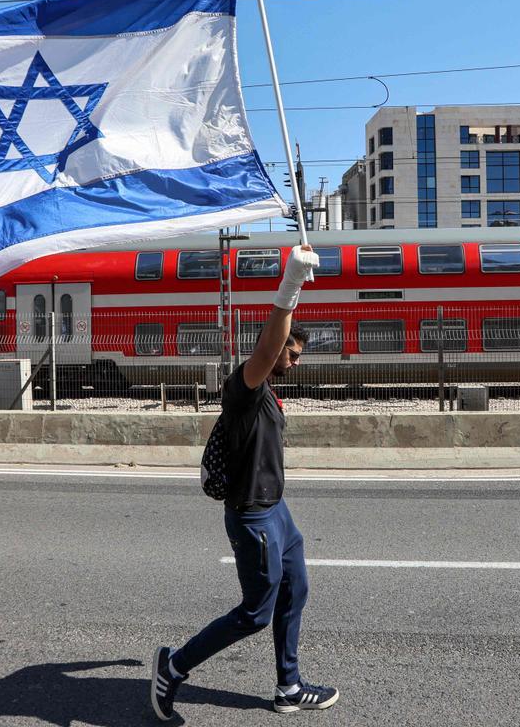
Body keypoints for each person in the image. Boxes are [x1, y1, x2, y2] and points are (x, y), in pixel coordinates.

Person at [151, 244, 339, 720]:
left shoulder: (269, 392)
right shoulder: (246, 387)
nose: (296, 361)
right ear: (273, 349)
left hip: (277, 511)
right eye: (291, 353)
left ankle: (289, 687)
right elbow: (268, 348)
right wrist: (290, 287)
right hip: (253, 516)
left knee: (296, 589)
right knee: (255, 612)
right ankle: (172, 669)